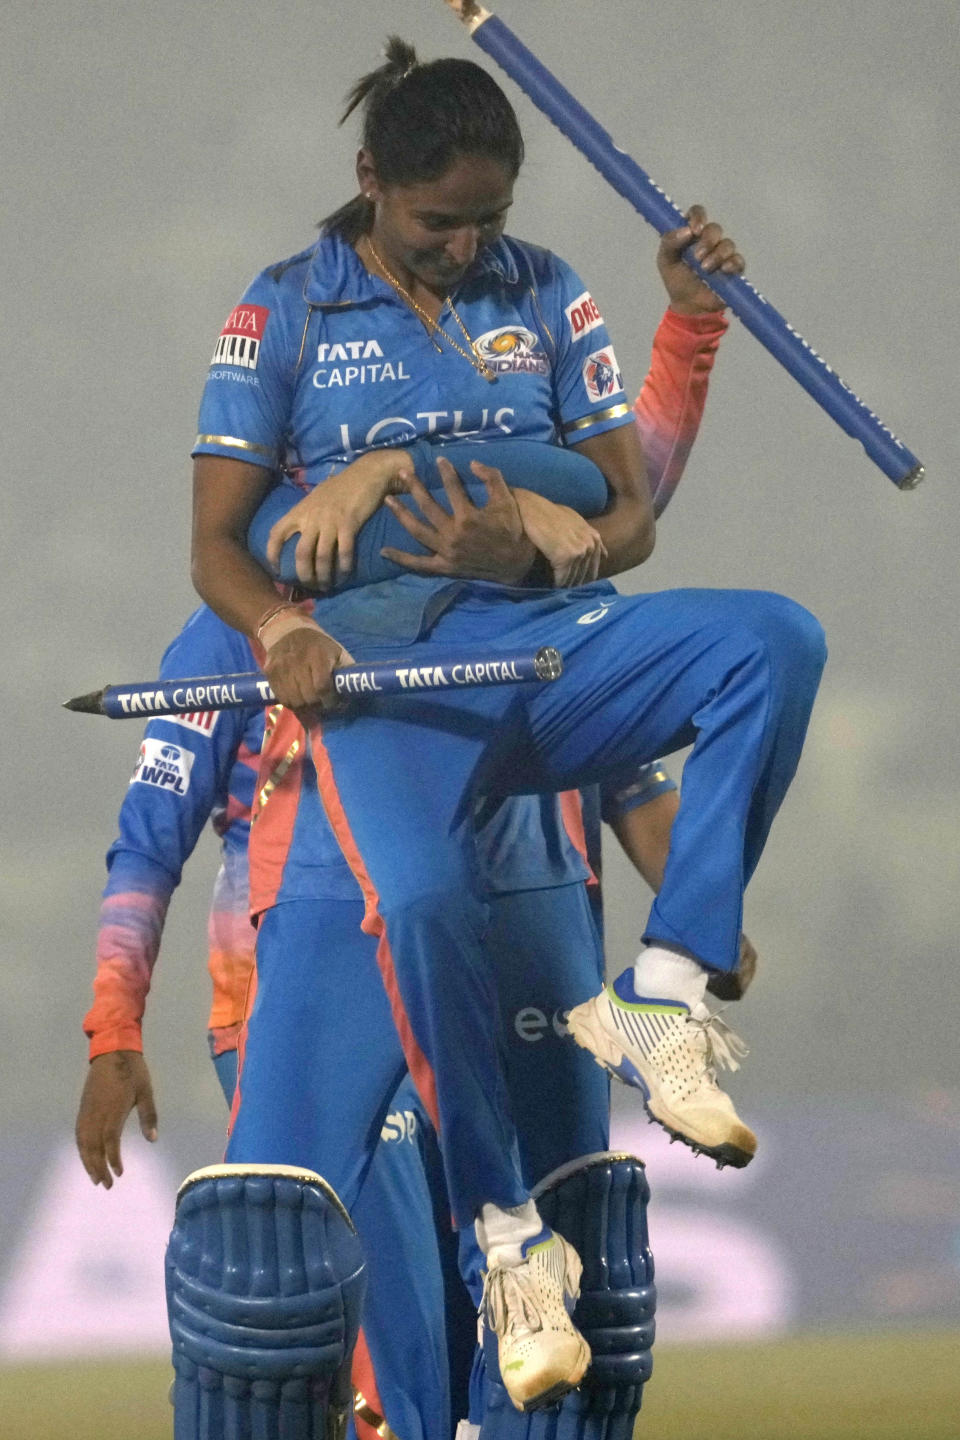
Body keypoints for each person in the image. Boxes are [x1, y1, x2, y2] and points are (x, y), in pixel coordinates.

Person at [188, 39, 825, 1409]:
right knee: (420, 914)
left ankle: (666, 986)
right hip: (384, 695)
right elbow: (219, 552)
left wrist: (543, 555)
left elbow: (630, 511)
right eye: (438, 222)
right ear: (370, 183)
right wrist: (287, 629)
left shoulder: (543, 291)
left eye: (490, 218)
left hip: (539, 655)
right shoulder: (285, 309)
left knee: (774, 641)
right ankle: (504, 1240)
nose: (468, 247)